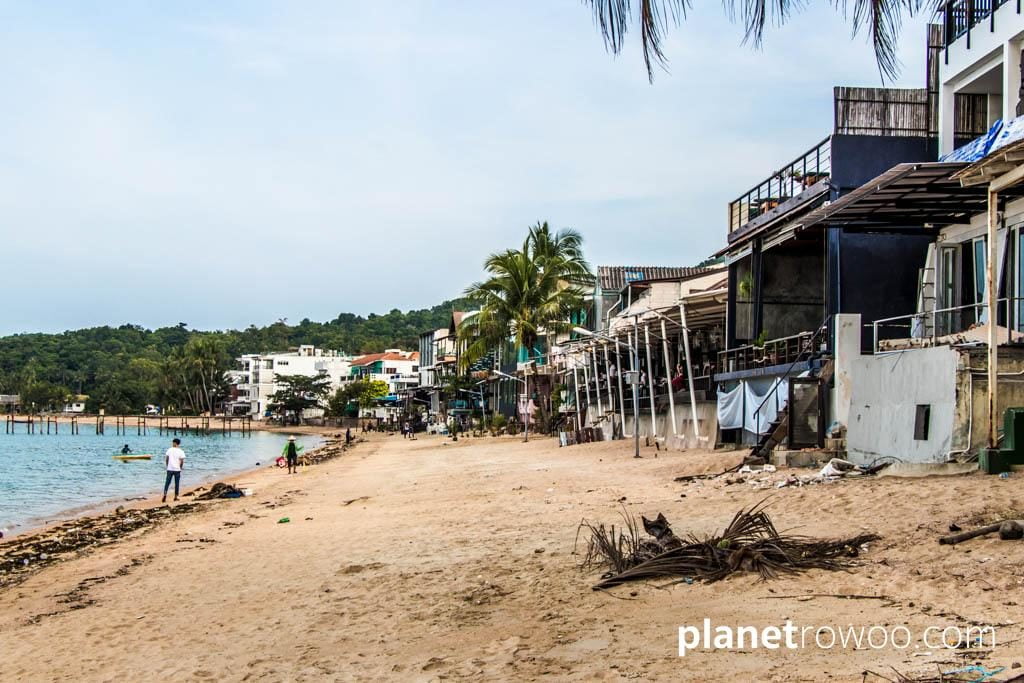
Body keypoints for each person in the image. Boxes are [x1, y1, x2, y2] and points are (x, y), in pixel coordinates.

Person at [162, 438, 185, 503]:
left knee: (167, 482)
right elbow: (182, 461)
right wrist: (180, 467)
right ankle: (175, 497)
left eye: (173, 442)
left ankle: (165, 494)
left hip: (170, 469)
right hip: (177, 469)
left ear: (175, 443)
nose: (172, 444)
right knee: (177, 483)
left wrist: (167, 466)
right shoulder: (181, 451)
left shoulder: (169, 450)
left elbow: (167, 459)